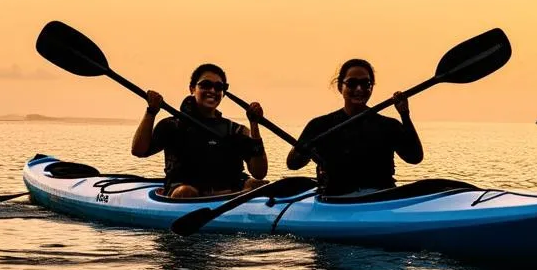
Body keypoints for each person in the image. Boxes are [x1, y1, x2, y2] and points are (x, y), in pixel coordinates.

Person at [286, 58, 423, 195]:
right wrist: (305, 149)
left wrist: (405, 114)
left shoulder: (388, 125)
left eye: (365, 83)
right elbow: (293, 164)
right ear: (341, 87)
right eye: (352, 83)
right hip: (335, 200)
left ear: (371, 87)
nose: (359, 89)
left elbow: (414, 157)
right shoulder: (319, 125)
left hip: (381, 199)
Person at [131, 63, 268, 198]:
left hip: (231, 192)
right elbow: (139, 151)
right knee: (185, 192)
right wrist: (151, 111)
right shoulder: (172, 125)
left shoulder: (236, 130)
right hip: (185, 192)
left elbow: (259, 172)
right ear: (192, 89)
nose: (212, 91)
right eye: (205, 85)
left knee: (256, 184)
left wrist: (254, 124)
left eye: (219, 87)